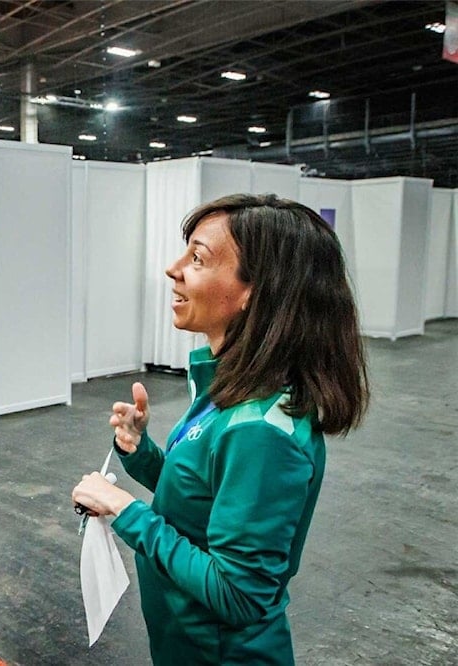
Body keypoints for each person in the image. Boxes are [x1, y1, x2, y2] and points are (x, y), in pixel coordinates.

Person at [72, 193, 369, 665]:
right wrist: (140, 453)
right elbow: (204, 502)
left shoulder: (260, 429)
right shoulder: (228, 392)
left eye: (197, 258)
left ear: (256, 290)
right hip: (185, 643)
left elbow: (240, 594)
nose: (174, 270)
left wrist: (125, 511)